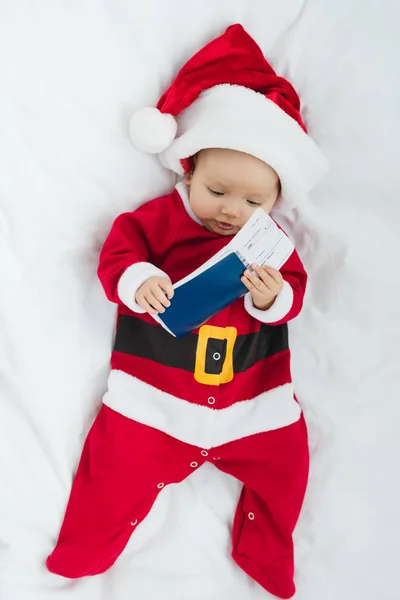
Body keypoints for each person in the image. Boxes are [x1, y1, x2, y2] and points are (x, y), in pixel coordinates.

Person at [46, 24, 327, 599]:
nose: (232, 212)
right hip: (154, 401)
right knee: (112, 468)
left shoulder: (271, 242)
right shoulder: (159, 222)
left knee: (289, 465)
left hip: (254, 405)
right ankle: (87, 548)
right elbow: (117, 253)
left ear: (276, 200)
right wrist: (139, 279)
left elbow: (292, 298)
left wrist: (272, 296)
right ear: (188, 169)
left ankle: (265, 548)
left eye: (254, 201)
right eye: (218, 191)